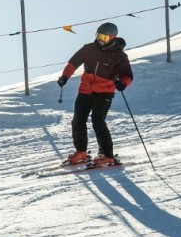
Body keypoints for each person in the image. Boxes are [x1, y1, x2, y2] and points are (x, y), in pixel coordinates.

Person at [57, 22, 134, 168]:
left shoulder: (119, 55)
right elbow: (74, 63)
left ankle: (107, 155)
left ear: (112, 38)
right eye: (99, 36)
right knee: (78, 120)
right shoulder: (89, 48)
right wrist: (65, 76)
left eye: (104, 38)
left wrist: (123, 83)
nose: (100, 40)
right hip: (85, 90)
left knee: (98, 121)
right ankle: (81, 152)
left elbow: (127, 75)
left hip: (104, 91)